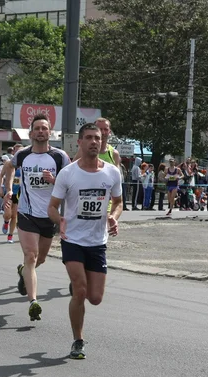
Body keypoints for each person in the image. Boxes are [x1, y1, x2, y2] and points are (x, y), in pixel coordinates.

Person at [48, 122, 123, 360]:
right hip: (72, 239)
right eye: (89, 137)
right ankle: (77, 341)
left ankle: (77, 288)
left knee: (96, 298)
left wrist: (113, 216)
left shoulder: (112, 172)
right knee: (80, 291)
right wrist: (58, 220)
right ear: (79, 142)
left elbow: (119, 202)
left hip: (97, 240)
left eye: (98, 138)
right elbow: (52, 206)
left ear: (102, 143)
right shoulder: (68, 173)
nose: (94, 142)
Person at [2, 114, 71, 321]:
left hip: (49, 215)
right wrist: (7, 189)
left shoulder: (60, 157)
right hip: (27, 213)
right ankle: (33, 302)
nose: (41, 131)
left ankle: (23, 271)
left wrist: (55, 179)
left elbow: (71, 182)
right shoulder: (22, 155)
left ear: (50, 132)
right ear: (31, 133)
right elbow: (8, 167)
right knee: (31, 255)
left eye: (44, 128)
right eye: (37, 128)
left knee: (40, 259)